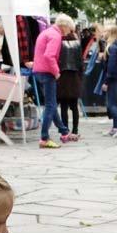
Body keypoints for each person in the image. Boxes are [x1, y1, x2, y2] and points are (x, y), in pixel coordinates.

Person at [32, 13, 80, 148]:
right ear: (64, 26)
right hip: (47, 72)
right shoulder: (56, 36)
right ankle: (44, 138)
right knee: (51, 106)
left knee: (51, 104)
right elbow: (49, 56)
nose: (69, 32)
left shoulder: (47, 32)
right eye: (70, 29)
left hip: (39, 71)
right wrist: (56, 72)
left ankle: (64, 132)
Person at [102, 26, 117, 137]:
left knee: (111, 104)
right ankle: (116, 127)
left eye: (105, 31)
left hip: (113, 78)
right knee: (113, 102)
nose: (103, 33)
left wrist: (106, 82)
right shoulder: (116, 46)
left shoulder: (112, 48)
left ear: (110, 33)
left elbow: (111, 68)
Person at [57, 30, 83, 138]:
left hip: (62, 76)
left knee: (63, 106)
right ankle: (75, 130)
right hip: (74, 76)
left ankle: (65, 130)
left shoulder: (59, 42)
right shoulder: (77, 44)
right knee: (74, 106)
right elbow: (80, 62)